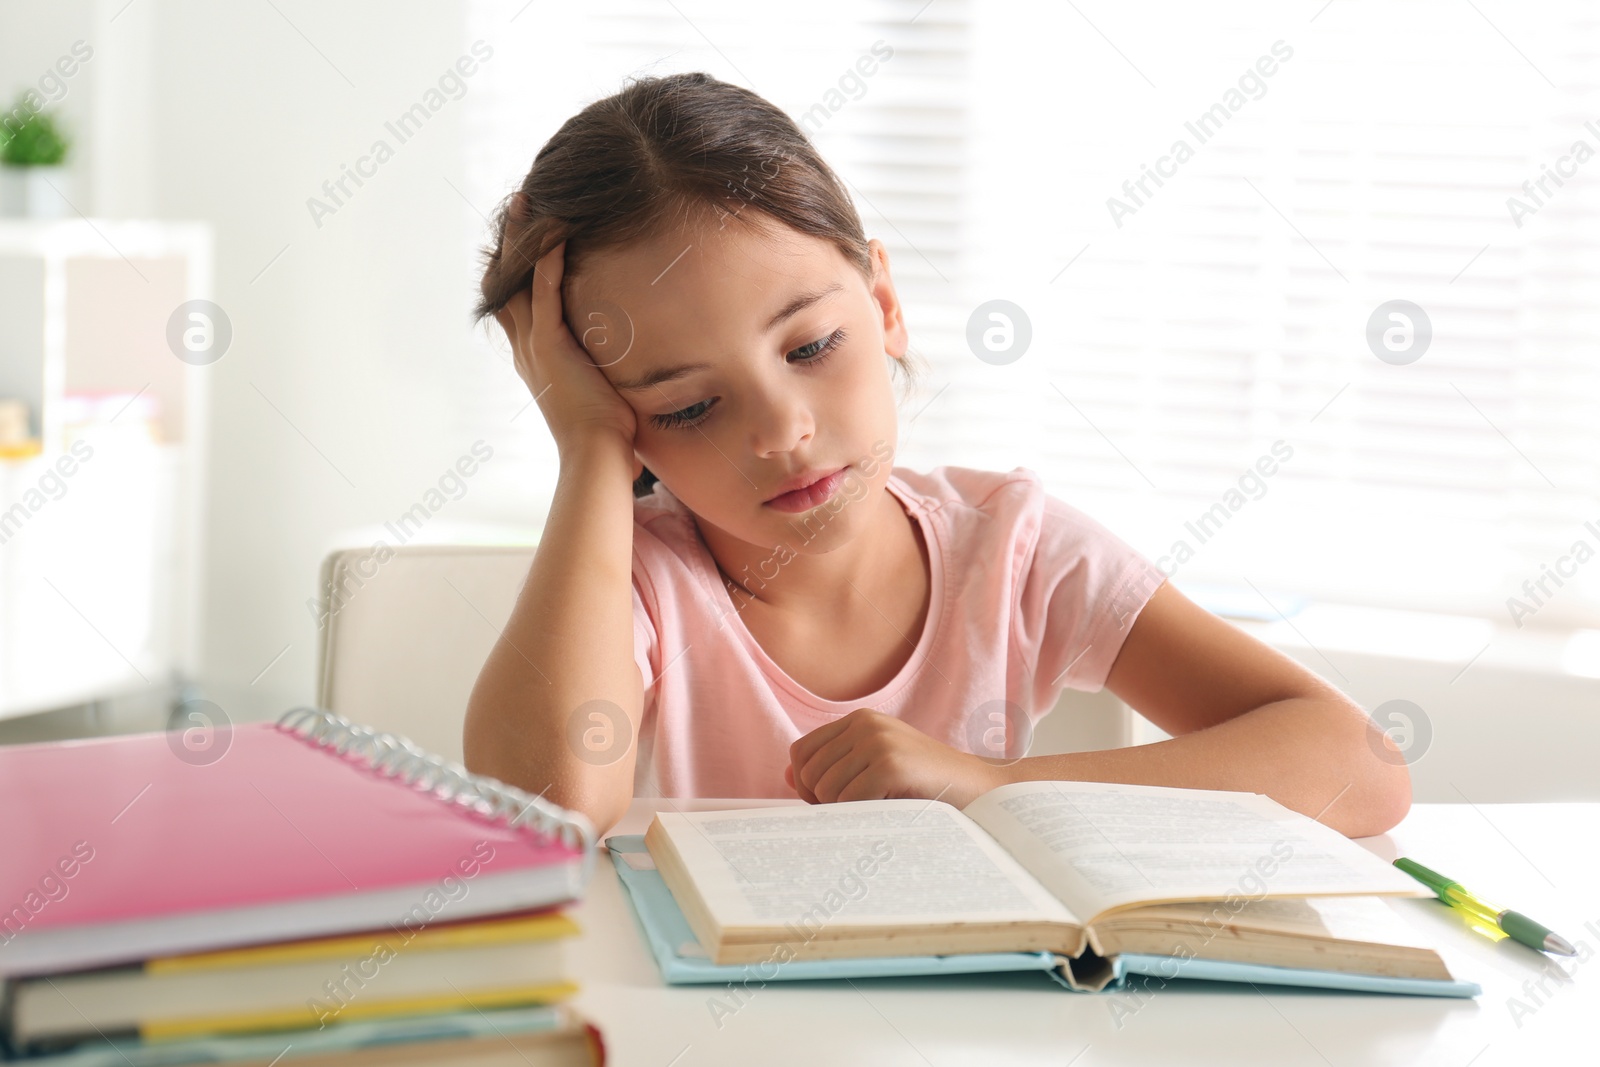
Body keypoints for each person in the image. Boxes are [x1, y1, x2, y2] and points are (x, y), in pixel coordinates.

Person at [464, 71, 1410, 839]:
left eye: (810, 348)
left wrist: (991, 784)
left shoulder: (1011, 548)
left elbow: (1358, 766)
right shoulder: (640, 580)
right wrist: (587, 447)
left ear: (882, 305)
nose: (780, 430)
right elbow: (547, 805)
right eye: (692, 404)